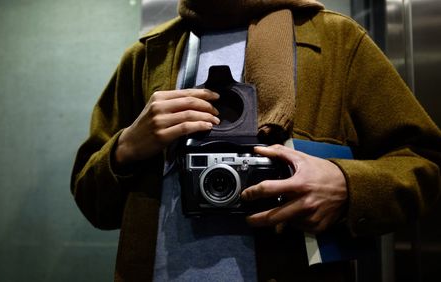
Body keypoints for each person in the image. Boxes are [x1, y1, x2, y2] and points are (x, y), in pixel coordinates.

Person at [71, 0, 441, 281]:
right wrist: (126, 148)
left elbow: (424, 162)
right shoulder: (148, 55)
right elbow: (93, 203)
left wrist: (346, 186)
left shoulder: (336, 41)